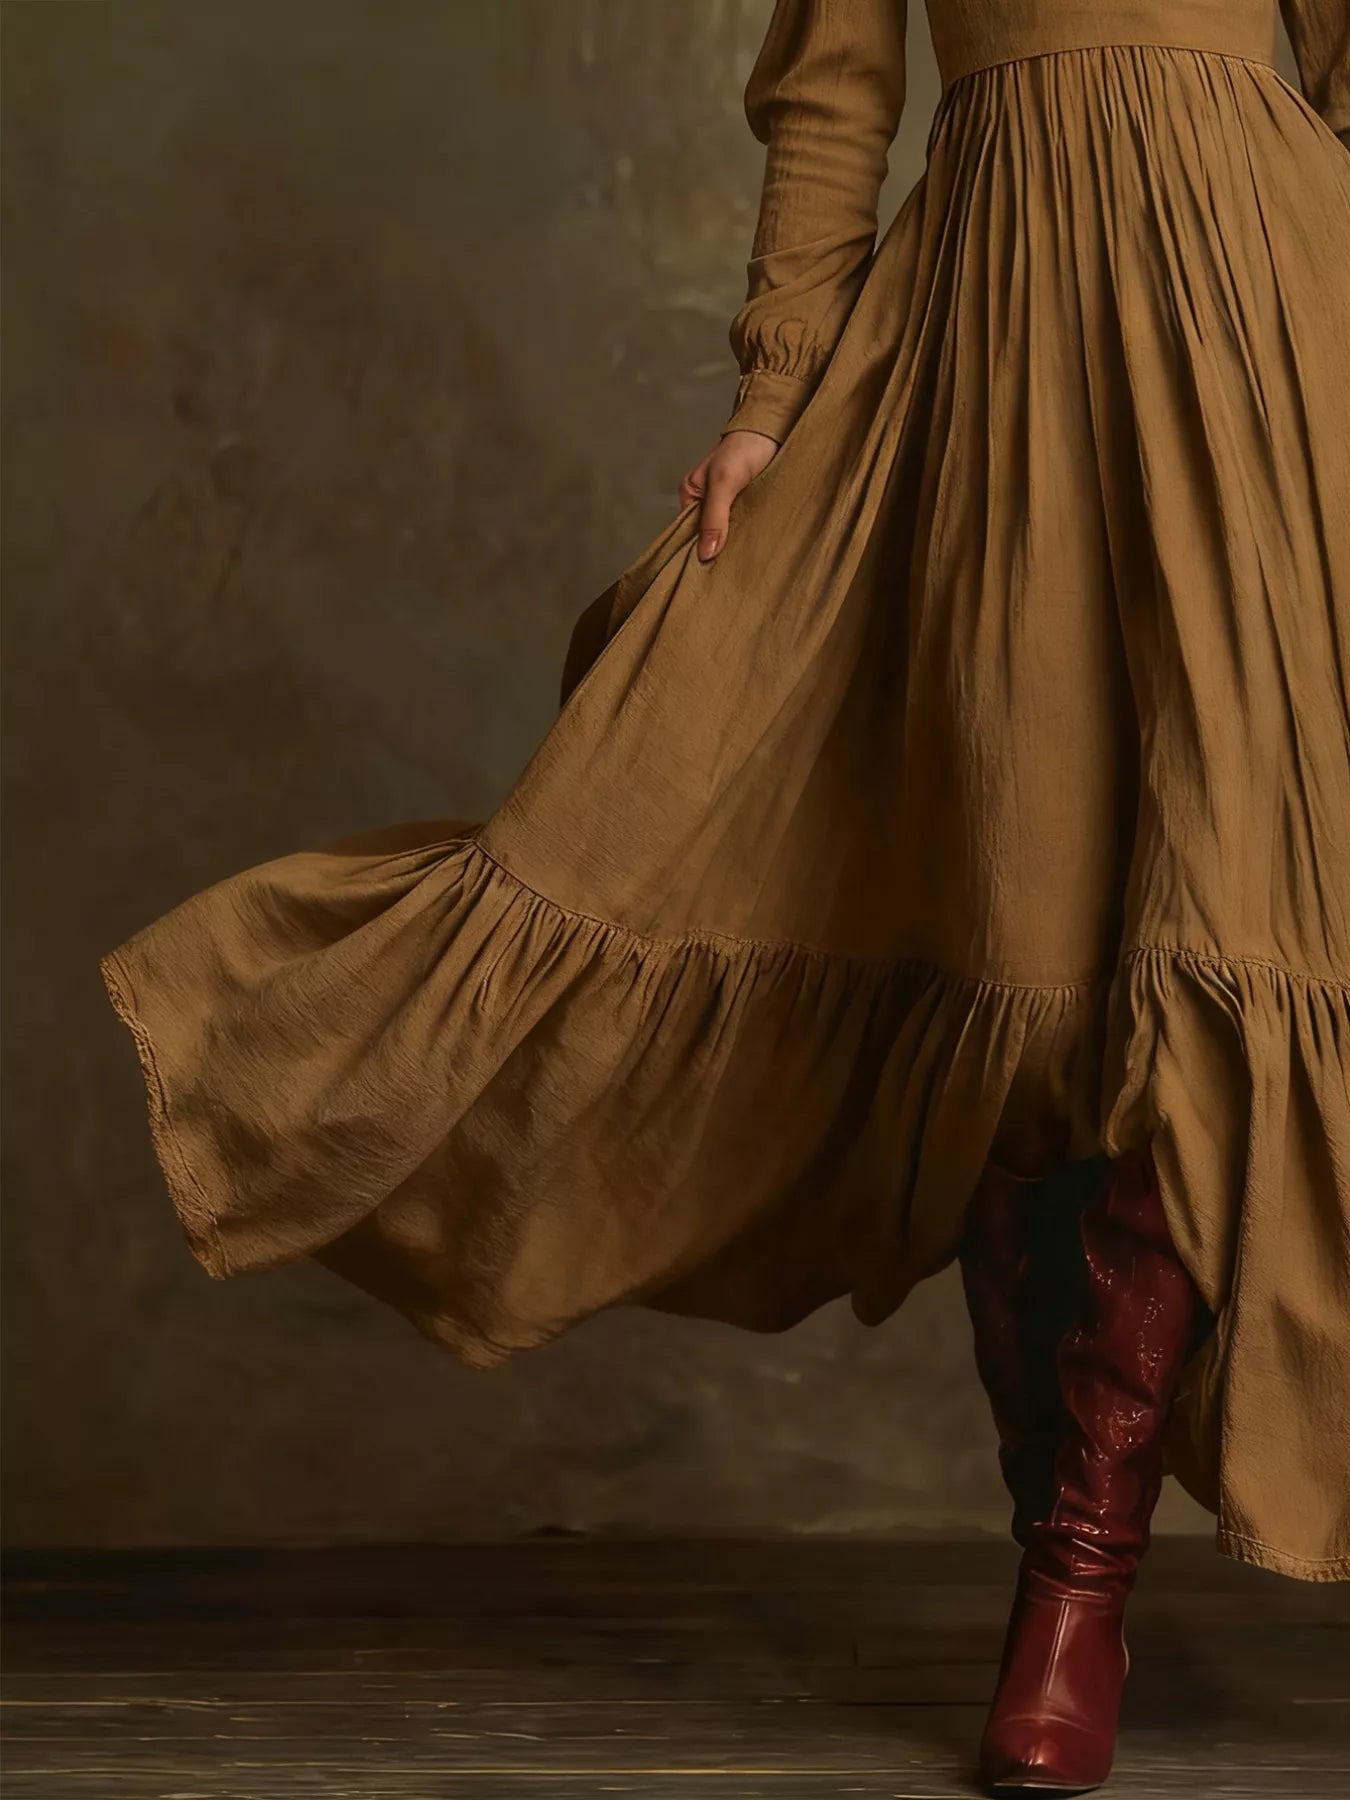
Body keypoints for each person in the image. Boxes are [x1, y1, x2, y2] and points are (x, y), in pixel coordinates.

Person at [100, 1, 1349, 1790]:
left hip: (1265, 342)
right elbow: (833, 102)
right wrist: (772, 403)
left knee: (1220, 927)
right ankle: (1051, 1535)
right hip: (993, 356)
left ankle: (1074, 1591)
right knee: (1011, 954)